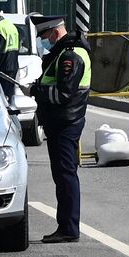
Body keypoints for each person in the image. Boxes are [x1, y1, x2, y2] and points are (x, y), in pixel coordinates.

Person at [29, 15, 91, 244]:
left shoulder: (70, 56)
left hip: (66, 122)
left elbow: (64, 94)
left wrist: (37, 92)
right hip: (61, 122)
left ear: (54, 32)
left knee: (66, 176)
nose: (44, 42)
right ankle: (65, 225)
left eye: (44, 36)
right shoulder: (65, 53)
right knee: (63, 176)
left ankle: (68, 227)